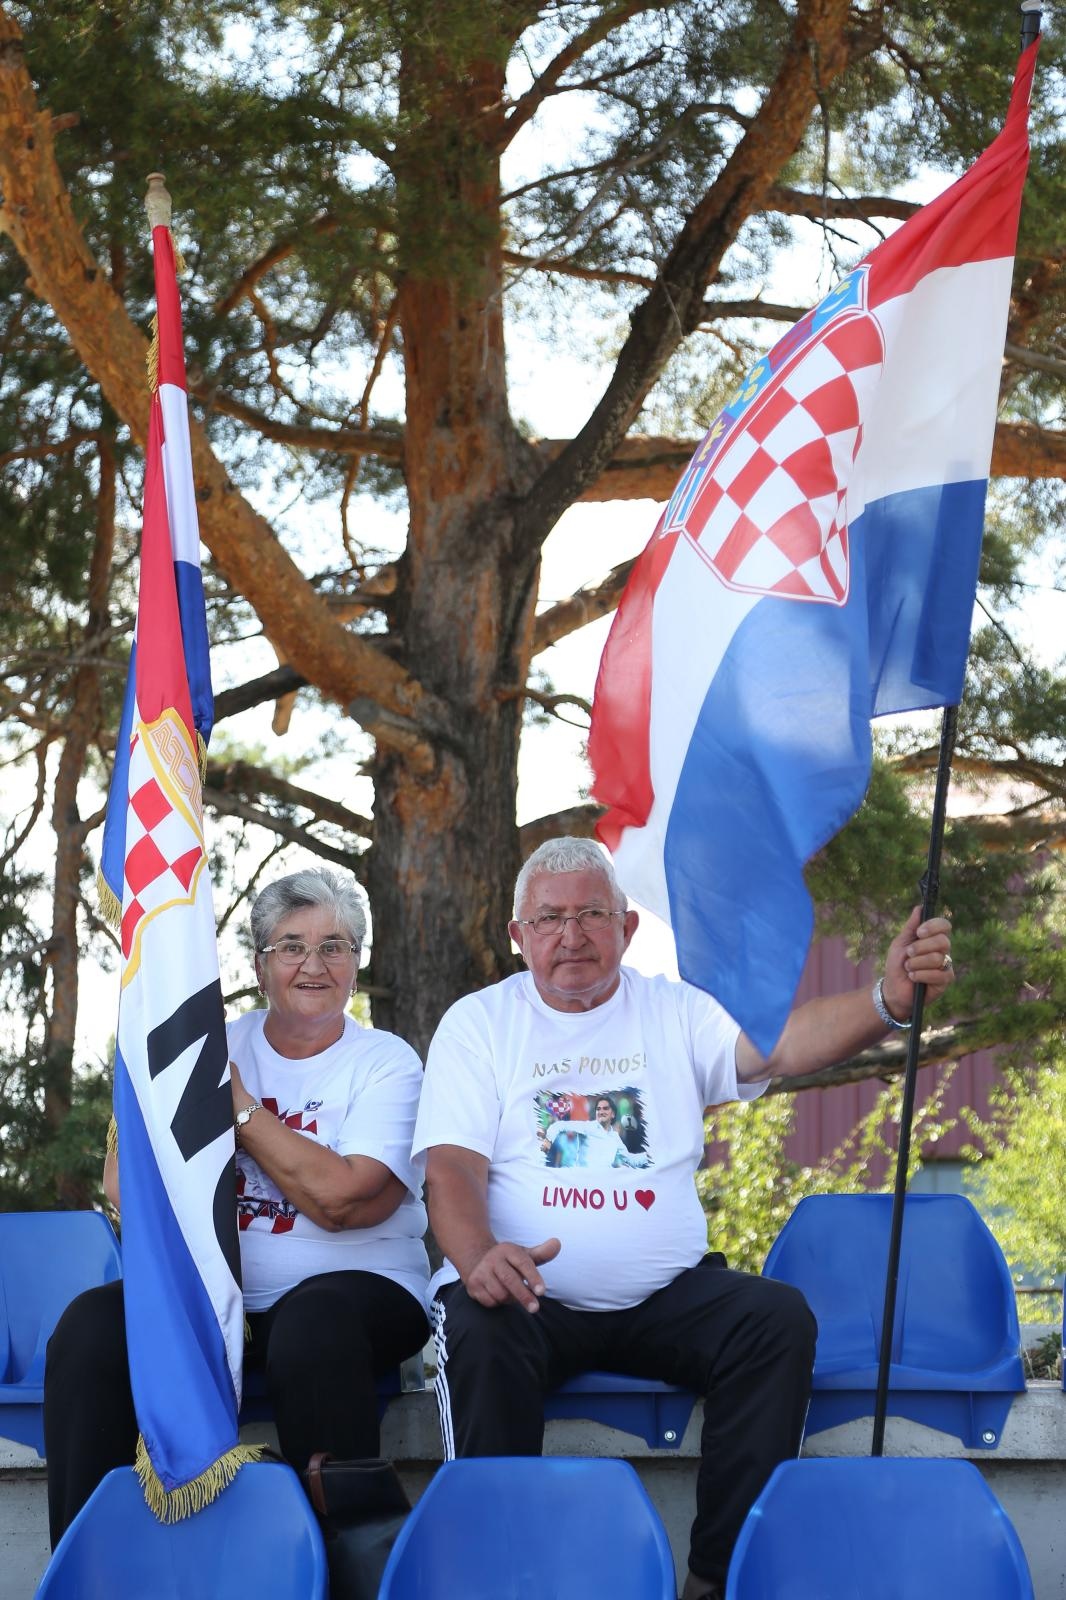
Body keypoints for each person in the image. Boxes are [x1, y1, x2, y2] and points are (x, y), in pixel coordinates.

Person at [413, 837, 955, 1600]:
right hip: (530, 1296)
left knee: (774, 1321)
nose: (571, 936)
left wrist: (886, 1003)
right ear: (518, 936)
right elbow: (452, 1170)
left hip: (666, 1294)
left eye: (592, 914)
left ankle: (718, 1577)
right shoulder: (479, 1024)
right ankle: (504, 1575)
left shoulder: (673, 1010)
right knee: (478, 1323)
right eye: (550, 919)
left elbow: (780, 1048)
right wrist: (479, 1258)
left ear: (628, 928)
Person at [44, 867, 430, 1546]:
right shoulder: (208, 1044)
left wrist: (238, 1110)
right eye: (292, 946)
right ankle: (92, 1565)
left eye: (335, 946)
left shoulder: (385, 1063)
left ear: (357, 963)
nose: (314, 965)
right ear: (258, 965)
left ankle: (343, 1566)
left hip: (361, 1295)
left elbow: (344, 1199)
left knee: (314, 1325)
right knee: (89, 1330)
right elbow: (125, 1187)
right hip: (219, 1296)